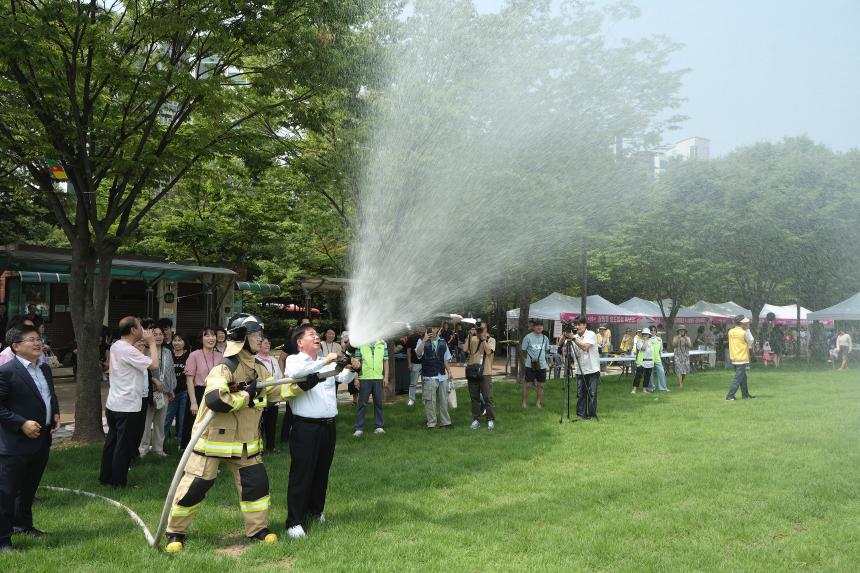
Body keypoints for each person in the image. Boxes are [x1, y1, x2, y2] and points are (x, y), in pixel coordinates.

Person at [164, 314, 283, 552]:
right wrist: (247, 396)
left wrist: (306, 383)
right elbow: (216, 399)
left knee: (256, 487)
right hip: (212, 442)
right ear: (241, 338)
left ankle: (257, 529)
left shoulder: (259, 368)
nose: (260, 339)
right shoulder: (224, 367)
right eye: (255, 335)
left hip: (246, 443)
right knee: (195, 487)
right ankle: (175, 532)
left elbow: (275, 393)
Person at [282, 323, 359, 539]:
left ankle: (315, 512)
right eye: (311, 335)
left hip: (328, 426)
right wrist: (326, 361)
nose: (316, 337)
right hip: (305, 427)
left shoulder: (323, 362)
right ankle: (294, 522)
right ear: (300, 342)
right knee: (302, 474)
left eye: (317, 334)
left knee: (321, 472)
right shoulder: (295, 360)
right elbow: (299, 373)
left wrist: (353, 368)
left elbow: (342, 377)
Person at [0, 325, 60, 551]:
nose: (38, 343)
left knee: (28, 489)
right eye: (32, 340)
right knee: (6, 493)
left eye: (39, 339)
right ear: (16, 346)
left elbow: (48, 395)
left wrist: (54, 412)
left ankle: (23, 525)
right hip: (14, 443)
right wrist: (21, 423)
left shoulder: (44, 369)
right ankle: (3, 539)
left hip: (41, 440)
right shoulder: (7, 371)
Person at [99, 316, 158, 487]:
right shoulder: (128, 350)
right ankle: (118, 482)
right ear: (133, 330)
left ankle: (106, 478)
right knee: (123, 446)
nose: (143, 330)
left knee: (112, 442)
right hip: (127, 406)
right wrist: (152, 343)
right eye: (140, 327)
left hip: (114, 404)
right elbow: (154, 365)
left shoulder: (117, 345)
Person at [182, 327, 222, 449]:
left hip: (216, 392)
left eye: (213, 335)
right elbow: (189, 381)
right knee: (195, 425)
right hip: (198, 393)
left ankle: (210, 451)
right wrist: (193, 402)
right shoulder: (194, 355)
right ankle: (190, 452)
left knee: (213, 424)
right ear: (201, 339)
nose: (211, 338)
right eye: (207, 335)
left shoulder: (221, 356)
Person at [139, 326, 175, 457]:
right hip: (148, 392)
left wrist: (171, 389)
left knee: (160, 422)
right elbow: (142, 370)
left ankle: (158, 449)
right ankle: (142, 449)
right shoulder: (144, 351)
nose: (159, 336)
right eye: (155, 334)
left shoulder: (167, 352)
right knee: (146, 423)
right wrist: (154, 380)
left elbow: (170, 372)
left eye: (161, 334)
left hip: (164, 392)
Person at [415, 320, 454, 429]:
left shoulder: (443, 341)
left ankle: (445, 422)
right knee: (430, 402)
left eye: (436, 327)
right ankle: (431, 424)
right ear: (428, 329)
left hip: (442, 376)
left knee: (444, 401)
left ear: (438, 329)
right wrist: (424, 340)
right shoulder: (421, 340)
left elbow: (445, 359)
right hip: (429, 376)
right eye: (432, 327)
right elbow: (418, 354)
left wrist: (449, 372)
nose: (434, 329)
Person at [352, 339, 388, 437]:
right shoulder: (360, 343)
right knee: (362, 404)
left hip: (378, 378)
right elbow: (356, 362)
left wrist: (386, 377)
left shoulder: (382, 343)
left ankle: (379, 427)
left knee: (378, 403)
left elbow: (386, 361)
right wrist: (356, 379)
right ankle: (359, 428)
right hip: (364, 378)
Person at [464, 321, 496, 430]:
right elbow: (465, 349)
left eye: (482, 328)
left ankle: (490, 419)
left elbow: (488, 351)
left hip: (485, 372)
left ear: (487, 329)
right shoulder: (472, 339)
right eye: (479, 328)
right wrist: (469, 335)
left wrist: (483, 339)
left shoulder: (491, 340)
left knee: (488, 397)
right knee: (474, 398)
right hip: (473, 372)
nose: (480, 330)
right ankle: (475, 419)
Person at [566, 317, 600, 419]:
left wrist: (573, 338)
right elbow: (560, 345)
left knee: (592, 394)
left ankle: (591, 415)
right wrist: (565, 334)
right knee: (580, 394)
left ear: (585, 325)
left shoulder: (591, 334)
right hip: (580, 370)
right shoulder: (574, 336)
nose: (577, 327)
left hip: (592, 369)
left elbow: (585, 347)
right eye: (576, 324)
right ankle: (581, 415)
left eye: (579, 324)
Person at [256, 336, 283, 452]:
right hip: (260, 394)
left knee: (272, 421)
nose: (268, 345)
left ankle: (271, 446)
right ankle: (259, 448)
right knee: (259, 421)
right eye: (265, 343)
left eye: (269, 343)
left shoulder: (273, 359)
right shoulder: (254, 359)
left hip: (273, 394)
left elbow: (279, 375)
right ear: (259, 345)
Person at [164, 333, 189, 450]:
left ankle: (181, 443)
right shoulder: (168, 355)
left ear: (184, 342)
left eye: (180, 340)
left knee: (182, 419)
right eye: (175, 340)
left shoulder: (189, 356)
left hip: (184, 392)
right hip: (170, 392)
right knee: (166, 418)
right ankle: (159, 445)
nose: (177, 343)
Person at [520, 320, 549, 408]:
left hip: (542, 365)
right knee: (528, 385)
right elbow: (523, 351)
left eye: (541, 325)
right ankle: (524, 402)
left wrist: (546, 362)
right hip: (530, 365)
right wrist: (526, 359)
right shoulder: (528, 337)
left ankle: (538, 403)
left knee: (541, 385)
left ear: (543, 327)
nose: (539, 327)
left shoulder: (545, 338)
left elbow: (546, 350)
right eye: (537, 326)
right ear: (533, 327)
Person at [726, 315, 755, 401]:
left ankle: (745, 395)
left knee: (743, 377)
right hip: (742, 357)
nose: (747, 324)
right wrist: (748, 329)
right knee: (738, 378)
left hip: (734, 357)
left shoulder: (730, 331)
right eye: (746, 323)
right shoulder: (744, 332)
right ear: (742, 324)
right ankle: (730, 396)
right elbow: (751, 340)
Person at [405, 325, 426, 407]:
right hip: (415, 363)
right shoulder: (412, 338)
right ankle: (411, 399)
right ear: (416, 327)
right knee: (413, 383)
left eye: (423, 326)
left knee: (425, 382)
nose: (421, 328)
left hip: (425, 363)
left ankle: (424, 399)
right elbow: (408, 351)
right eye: (420, 326)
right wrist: (409, 363)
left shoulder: (427, 338)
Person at [631, 329, 653, 394]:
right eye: (644, 334)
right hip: (641, 362)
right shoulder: (639, 341)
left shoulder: (651, 342)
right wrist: (646, 341)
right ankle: (634, 389)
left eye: (646, 334)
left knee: (647, 377)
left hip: (650, 362)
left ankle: (644, 389)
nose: (645, 335)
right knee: (638, 376)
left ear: (649, 335)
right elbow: (643, 349)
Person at [648, 325, 669, 392]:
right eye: (651, 330)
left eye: (654, 330)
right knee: (650, 374)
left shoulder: (659, 339)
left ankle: (663, 388)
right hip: (649, 358)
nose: (653, 332)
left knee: (662, 372)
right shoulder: (647, 339)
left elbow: (661, 349)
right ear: (649, 331)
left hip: (657, 358)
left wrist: (660, 356)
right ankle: (651, 388)